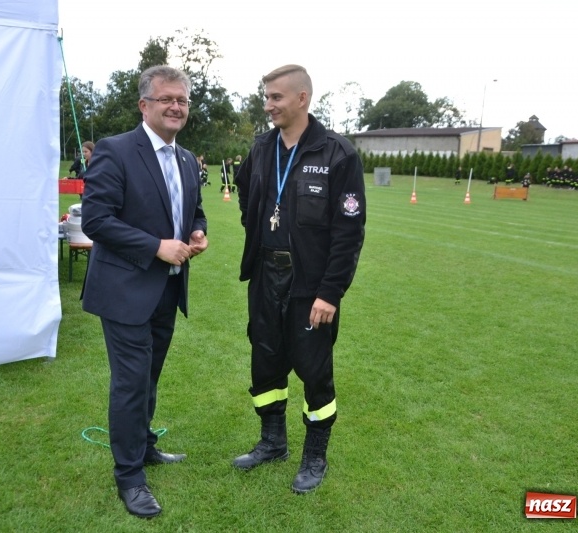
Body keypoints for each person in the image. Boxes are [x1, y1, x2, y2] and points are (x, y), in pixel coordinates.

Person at [80, 65, 209, 519]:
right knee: (132, 382)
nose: (176, 107)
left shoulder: (187, 158)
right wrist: (157, 246)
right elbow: (96, 220)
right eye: (167, 99)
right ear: (144, 105)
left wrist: (197, 232)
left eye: (183, 100)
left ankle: (145, 444)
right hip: (124, 290)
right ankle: (130, 477)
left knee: (149, 377)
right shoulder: (116, 152)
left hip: (167, 291)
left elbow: (195, 209)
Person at [232, 64, 366, 494]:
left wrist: (330, 292)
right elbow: (246, 202)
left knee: (314, 369)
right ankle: (273, 442)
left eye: (276, 97)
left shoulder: (336, 153)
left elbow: (349, 232)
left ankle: (314, 456)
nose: (267, 105)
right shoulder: (260, 149)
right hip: (266, 275)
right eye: (266, 97)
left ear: (302, 98)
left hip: (311, 285)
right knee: (265, 360)